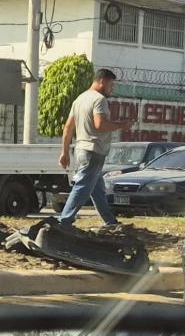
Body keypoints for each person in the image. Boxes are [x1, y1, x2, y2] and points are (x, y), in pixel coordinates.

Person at [57, 68, 134, 231]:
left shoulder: (80, 99)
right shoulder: (99, 100)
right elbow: (100, 125)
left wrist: (64, 152)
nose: (112, 88)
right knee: (83, 186)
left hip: (81, 149)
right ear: (102, 81)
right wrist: (122, 125)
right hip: (94, 150)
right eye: (111, 84)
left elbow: (68, 127)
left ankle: (110, 222)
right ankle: (63, 222)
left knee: (97, 189)